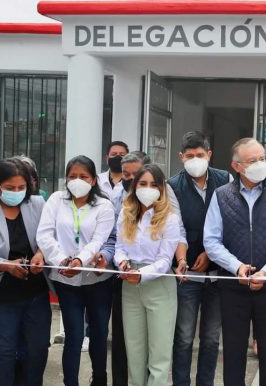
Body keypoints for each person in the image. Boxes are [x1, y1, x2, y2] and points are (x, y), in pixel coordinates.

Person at [204, 137, 266, 386]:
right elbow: (211, 241)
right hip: (234, 287)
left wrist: (265, 272)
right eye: (253, 160)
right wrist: (237, 266)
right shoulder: (221, 196)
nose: (260, 164)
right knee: (233, 355)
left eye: (262, 158)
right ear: (237, 166)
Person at [98, 150, 187, 386]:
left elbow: (165, 260)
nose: (148, 188)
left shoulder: (170, 219)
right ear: (134, 186)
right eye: (143, 183)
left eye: (153, 184)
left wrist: (141, 274)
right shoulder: (126, 214)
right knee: (135, 355)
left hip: (158, 285)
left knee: (159, 356)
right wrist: (123, 262)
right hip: (129, 286)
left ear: (161, 188)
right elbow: (118, 246)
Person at [36, 155, 115, 386]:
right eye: (72, 176)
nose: (77, 180)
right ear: (66, 179)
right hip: (66, 280)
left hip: (97, 280)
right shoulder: (56, 200)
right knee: (74, 335)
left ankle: (99, 378)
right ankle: (71, 382)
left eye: (83, 176)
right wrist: (62, 260)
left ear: (93, 180)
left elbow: (99, 240)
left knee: (99, 334)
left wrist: (80, 260)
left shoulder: (104, 205)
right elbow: (44, 234)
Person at [169, 131, 231, 386]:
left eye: (200, 155)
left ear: (210, 155)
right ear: (181, 157)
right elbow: (175, 228)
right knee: (183, 336)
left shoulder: (225, 179)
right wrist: (183, 259)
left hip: (218, 273)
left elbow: (230, 221)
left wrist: (211, 252)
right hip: (188, 275)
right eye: (190, 155)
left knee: (211, 338)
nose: (195, 159)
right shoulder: (172, 186)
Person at [0, 158, 51, 386]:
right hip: (1, 298)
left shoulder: (36, 204)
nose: (16, 192)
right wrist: (5, 265)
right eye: (9, 188)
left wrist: (40, 254)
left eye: (21, 187)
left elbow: (49, 237)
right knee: (3, 354)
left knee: (36, 352)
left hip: (35, 295)